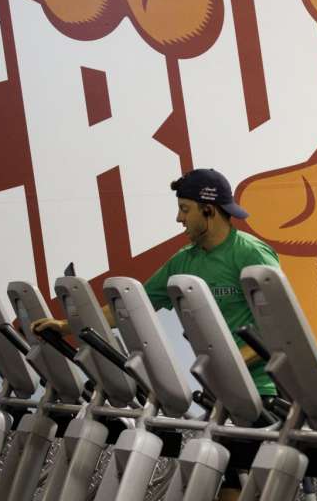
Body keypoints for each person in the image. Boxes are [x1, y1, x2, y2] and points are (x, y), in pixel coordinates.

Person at [31, 167, 281, 396]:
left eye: (185, 209)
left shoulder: (250, 253)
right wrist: (65, 326)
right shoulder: (183, 261)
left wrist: (233, 365)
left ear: (209, 210)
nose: (178, 218)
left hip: (266, 390)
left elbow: (282, 326)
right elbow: (129, 307)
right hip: (219, 390)